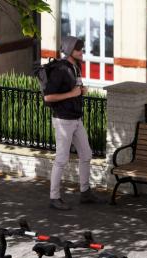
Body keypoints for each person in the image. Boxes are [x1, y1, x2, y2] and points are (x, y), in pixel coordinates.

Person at [43, 35, 103, 210]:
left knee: (87, 154)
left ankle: (85, 192)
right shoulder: (60, 70)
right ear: (70, 50)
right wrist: (72, 94)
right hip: (63, 121)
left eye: (82, 49)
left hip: (76, 119)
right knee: (61, 159)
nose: (81, 52)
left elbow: (74, 89)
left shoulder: (75, 67)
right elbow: (48, 97)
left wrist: (80, 91)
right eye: (78, 49)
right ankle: (54, 198)